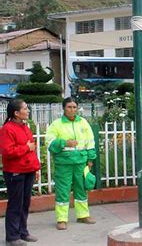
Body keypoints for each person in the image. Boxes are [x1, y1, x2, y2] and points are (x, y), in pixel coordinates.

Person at [45, 97, 96, 230]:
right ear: (64, 108)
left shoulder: (83, 123)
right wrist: (64, 143)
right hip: (64, 163)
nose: (72, 110)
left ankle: (83, 215)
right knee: (63, 190)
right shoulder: (56, 124)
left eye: (74, 107)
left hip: (81, 162)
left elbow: (90, 141)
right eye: (69, 107)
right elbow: (49, 142)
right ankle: (61, 219)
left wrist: (90, 159)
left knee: (82, 188)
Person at [0, 99, 40, 245]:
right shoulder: (7, 129)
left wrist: (36, 168)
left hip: (27, 170)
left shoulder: (25, 127)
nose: (28, 110)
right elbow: (7, 151)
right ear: (16, 113)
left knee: (25, 203)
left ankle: (23, 232)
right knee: (15, 204)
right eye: (25, 108)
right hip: (15, 172)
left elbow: (32, 150)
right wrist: (26, 148)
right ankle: (12, 236)